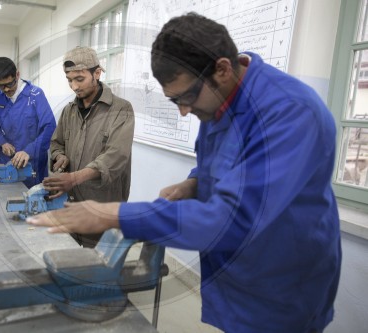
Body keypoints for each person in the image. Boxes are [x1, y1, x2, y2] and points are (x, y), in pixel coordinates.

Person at [28, 13, 342, 333]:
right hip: (234, 270)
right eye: (174, 100)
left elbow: (231, 220)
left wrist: (114, 215)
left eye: (187, 97)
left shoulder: (289, 113)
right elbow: (220, 161)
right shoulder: (223, 94)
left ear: (221, 68)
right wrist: (193, 182)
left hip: (280, 279)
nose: (183, 110)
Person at [41, 46, 135, 248]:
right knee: (72, 261)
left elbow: (116, 156)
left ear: (97, 73)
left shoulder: (121, 109)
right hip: (71, 203)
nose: (74, 86)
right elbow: (56, 143)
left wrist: (74, 177)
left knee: (100, 269)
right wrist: (60, 156)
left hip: (103, 204)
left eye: (80, 79)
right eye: (69, 80)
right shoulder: (69, 111)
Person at [0, 57, 56, 188]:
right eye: (0, 85)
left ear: (17, 75)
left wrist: (29, 151)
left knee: (34, 203)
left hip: (32, 163)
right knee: (7, 200)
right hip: (8, 163)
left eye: (10, 84)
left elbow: (49, 126)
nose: (6, 90)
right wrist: (2, 142)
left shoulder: (35, 95)